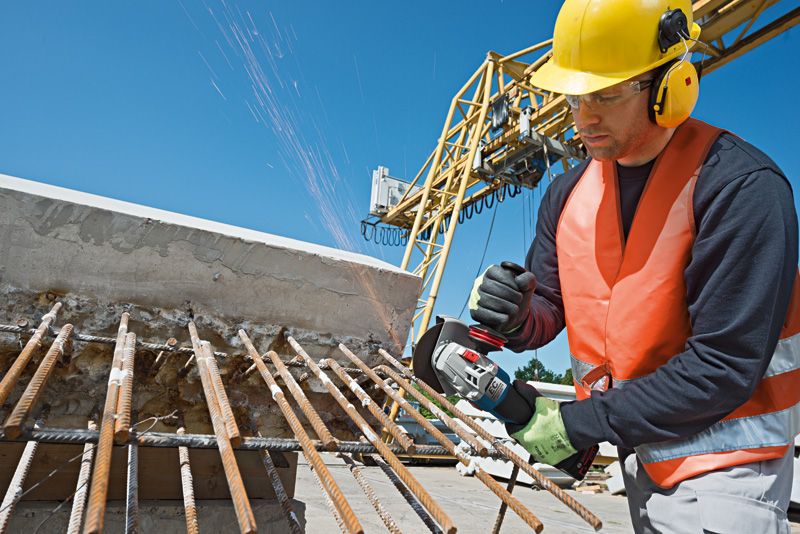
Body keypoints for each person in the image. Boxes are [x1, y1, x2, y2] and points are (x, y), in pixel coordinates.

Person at [468, 1, 799, 532]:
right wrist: (517, 316)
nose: (584, 116)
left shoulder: (742, 188)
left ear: (670, 83)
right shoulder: (568, 194)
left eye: (605, 94)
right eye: (576, 97)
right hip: (639, 448)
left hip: (729, 466)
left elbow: (725, 364)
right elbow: (554, 306)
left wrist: (581, 423)